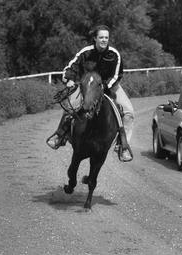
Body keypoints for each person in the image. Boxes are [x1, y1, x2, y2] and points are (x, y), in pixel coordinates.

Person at [46, 25, 134, 162]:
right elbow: (71, 67)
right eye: (101, 37)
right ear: (95, 38)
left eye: (106, 37)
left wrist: (104, 87)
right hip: (87, 87)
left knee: (129, 112)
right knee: (72, 106)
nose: (104, 40)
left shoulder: (114, 54)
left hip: (110, 87)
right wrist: (68, 79)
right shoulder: (86, 52)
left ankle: (123, 145)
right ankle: (60, 135)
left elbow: (117, 75)